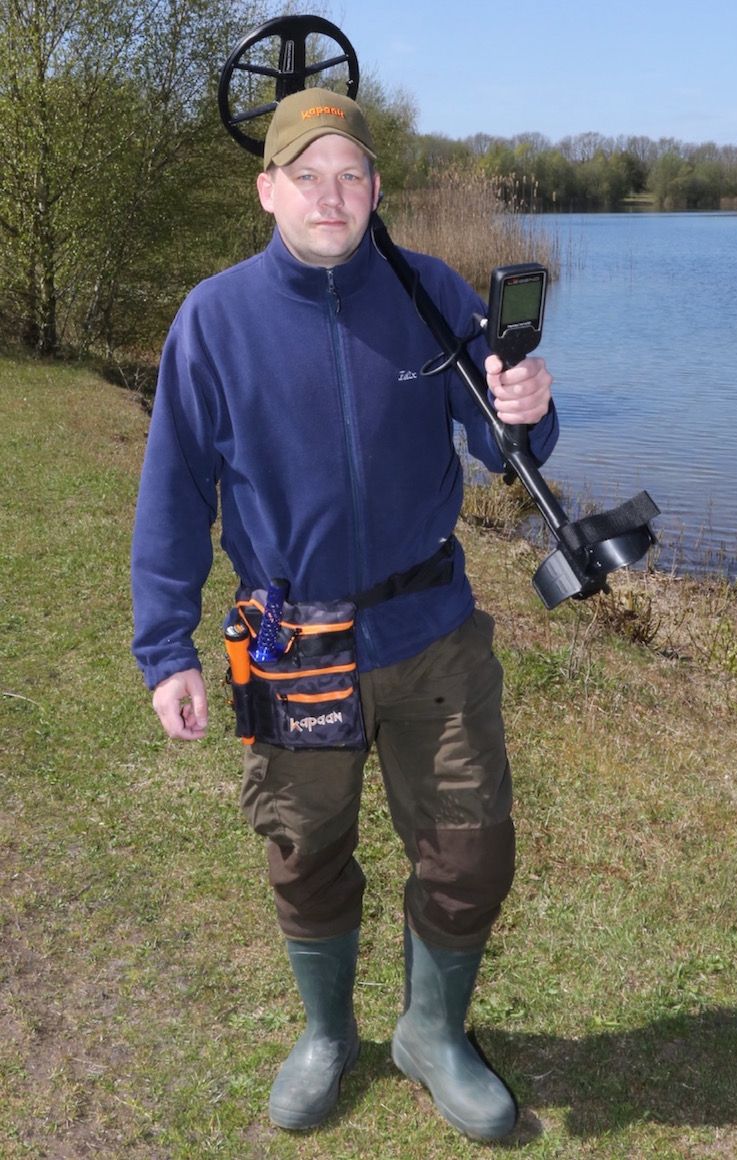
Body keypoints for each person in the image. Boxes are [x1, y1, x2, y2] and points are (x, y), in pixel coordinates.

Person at [131, 87, 557, 1142]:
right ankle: (327, 1035)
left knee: (470, 849)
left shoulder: (432, 291)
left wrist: (528, 410)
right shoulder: (213, 320)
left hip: (432, 631)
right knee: (302, 846)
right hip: (293, 645)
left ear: (375, 190)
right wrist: (163, 648)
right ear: (267, 188)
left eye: (351, 175)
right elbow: (176, 492)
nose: (332, 195)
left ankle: (429, 1031)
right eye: (307, 175)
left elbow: (509, 454)